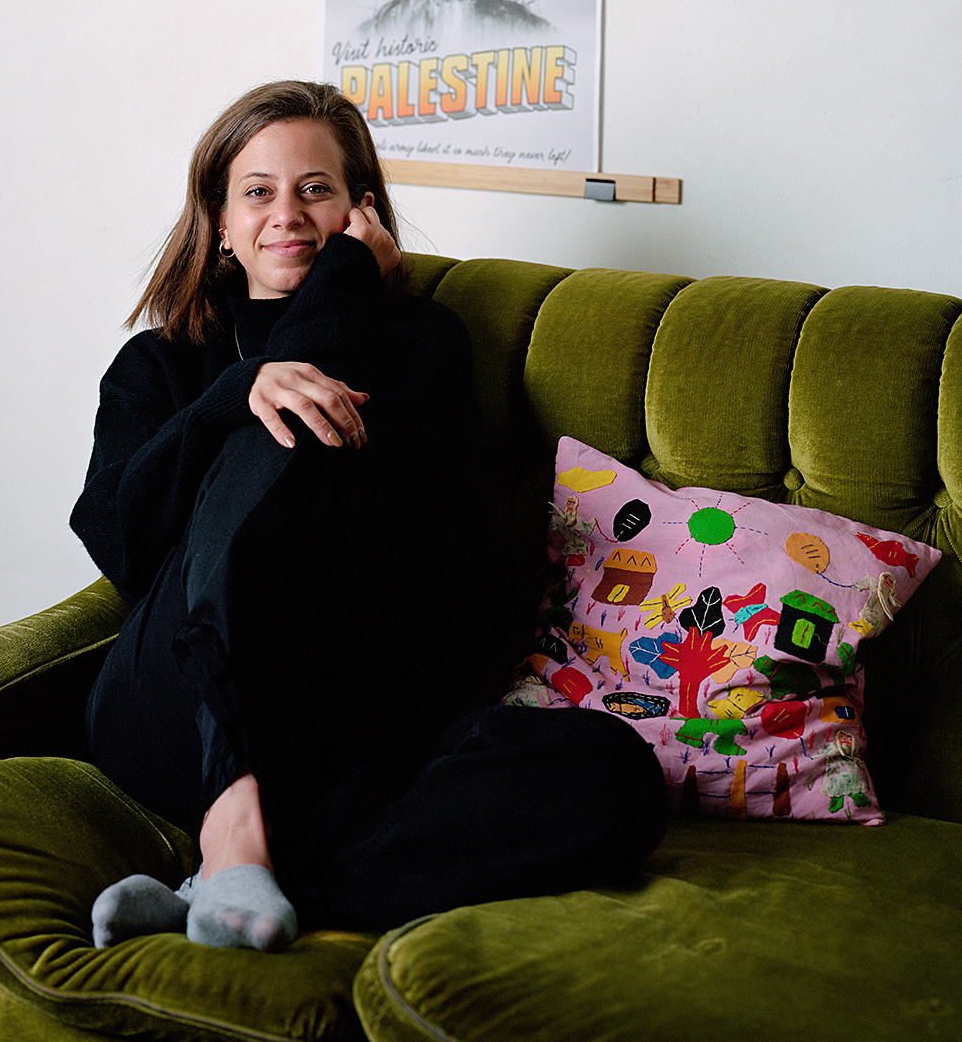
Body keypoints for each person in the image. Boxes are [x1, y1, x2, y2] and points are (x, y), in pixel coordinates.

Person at [71, 79, 668, 952]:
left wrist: (336, 302)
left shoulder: (422, 346)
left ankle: (240, 883)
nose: (289, 214)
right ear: (221, 222)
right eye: (259, 193)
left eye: (316, 189)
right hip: (176, 704)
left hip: (346, 715)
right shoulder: (160, 366)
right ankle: (232, 824)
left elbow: (430, 556)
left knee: (614, 780)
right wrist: (233, 396)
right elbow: (120, 543)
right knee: (278, 427)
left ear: (361, 208)